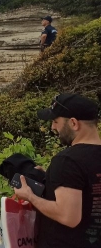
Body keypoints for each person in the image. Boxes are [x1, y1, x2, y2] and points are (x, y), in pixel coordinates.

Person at [14, 93, 101, 247]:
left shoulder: (67, 161)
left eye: (55, 121)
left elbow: (68, 216)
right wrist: (51, 177)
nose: (53, 127)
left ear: (74, 123)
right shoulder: (71, 164)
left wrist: (30, 196)